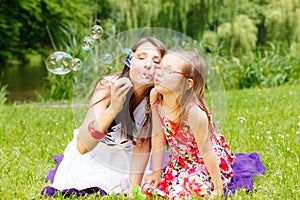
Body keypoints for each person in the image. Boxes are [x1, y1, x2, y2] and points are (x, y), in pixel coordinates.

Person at [41, 37, 167, 197]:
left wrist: (132, 191)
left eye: (156, 61)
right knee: (90, 180)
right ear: (130, 61)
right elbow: (83, 147)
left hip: (124, 157)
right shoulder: (108, 85)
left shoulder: (155, 97)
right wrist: (113, 108)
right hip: (92, 155)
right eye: (141, 58)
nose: (148, 64)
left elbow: (142, 146)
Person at [142, 50, 236, 199]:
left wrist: (218, 189)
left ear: (187, 84)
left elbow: (206, 151)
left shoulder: (193, 113)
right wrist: (157, 173)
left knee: (190, 189)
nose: (158, 72)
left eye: (168, 70)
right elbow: (158, 135)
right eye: (159, 67)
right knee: (150, 187)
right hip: (179, 160)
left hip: (202, 160)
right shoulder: (155, 96)